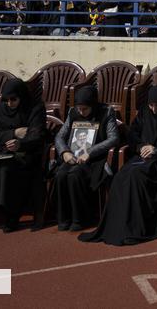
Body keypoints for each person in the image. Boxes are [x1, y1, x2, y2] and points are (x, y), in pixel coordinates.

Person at [80, 84, 157, 245]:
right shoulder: (144, 112)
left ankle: (137, 228)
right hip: (142, 157)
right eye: (151, 105)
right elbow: (132, 134)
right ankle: (118, 227)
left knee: (135, 177)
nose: (153, 109)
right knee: (120, 177)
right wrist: (140, 147)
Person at [0, 78, 46, 233]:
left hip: (26, 153)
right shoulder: (0, 110)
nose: (10, 103)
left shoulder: (35, 108)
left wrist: (21, 144)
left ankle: (12, 215)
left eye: (14, 99)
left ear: (22, 97)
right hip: (2, 151)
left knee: (7, 169)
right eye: (6, 100)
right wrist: (13, 133)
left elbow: (36, 134)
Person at [52, 86, 120, 232]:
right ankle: (64, 218)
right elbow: (60, 136)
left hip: (94, 159)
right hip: (73, 155)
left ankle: (80, 218)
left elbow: (113, 138)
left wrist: (90, 152)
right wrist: (64, 152)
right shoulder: (72, 112)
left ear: (93, 106)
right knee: (60, 175)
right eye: (79, 109)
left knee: (74, 175)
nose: (81, 112)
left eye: (85, 109)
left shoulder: (106, 112)